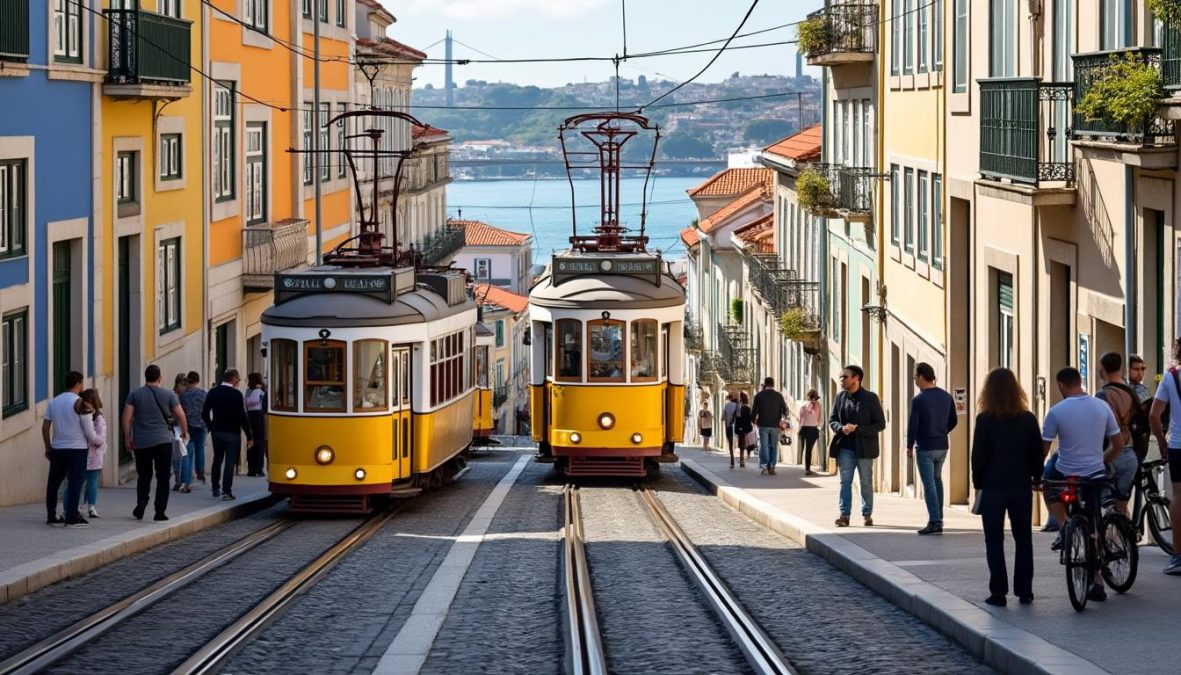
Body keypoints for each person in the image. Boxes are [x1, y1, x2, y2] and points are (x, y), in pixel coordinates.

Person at [1042, 366, 1123, 602]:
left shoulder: (1056, 411)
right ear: (1080, 382)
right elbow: (1117, 444)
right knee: (1094, 521)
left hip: (1066, 473)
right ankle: (1098, 581)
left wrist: (1035, 474)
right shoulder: (1101, 406)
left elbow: (1044, 449)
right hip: (1094, 473)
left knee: (1049, 486)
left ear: (1061, 385)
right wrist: (1103, 460)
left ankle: (1064, 526)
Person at [971, 368, 1043, 607]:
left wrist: (978, 484)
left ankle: (998, 592)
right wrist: (1037, 477)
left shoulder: (984, 420)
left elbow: (978, 456)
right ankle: (1025, 590)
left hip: (993, 486)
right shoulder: (1028, 419)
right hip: (1020, 485)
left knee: (993, 540)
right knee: (1023, 539)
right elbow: (1036, 453)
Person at [123, 365, 189, 521]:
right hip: (163, 441)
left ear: (146, 377)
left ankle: (142, 502)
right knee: (163, 477)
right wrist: (184, 432)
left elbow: (126, 418)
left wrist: (127, 437)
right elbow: (181, 415)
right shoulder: (169, 395)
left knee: (144, 475)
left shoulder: (134, 395)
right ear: (160, 377)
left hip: (142, 441)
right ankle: (160, 511)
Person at [829, 365, 886, 527]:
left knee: (866, 482)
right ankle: (844, 515)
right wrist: (841, 428)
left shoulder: (870, 398)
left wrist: (859, 429)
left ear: (856, 378)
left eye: (845, 377)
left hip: (865, 448)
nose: (842, 380)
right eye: (841, 377)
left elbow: (880, 424)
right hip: (845, 447)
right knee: (845, 482)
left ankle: (867, 514)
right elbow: (832, 420)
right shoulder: (840, 397)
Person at [907, 362, 958, 535]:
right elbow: (953, 421)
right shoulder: (946, 396)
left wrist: (909, 446)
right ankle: (939, 517)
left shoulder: (918, 400)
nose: (915, 380)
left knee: (929, 484)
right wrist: (942, 431)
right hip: (942, 446)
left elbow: (913, 425)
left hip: (925, 447)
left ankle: (935, 522)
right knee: (937, 481)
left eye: (915, 377)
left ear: (922, 377)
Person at [1148, 339, 1181, 575]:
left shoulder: (1171, 376)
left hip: (1178, 445)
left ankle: (1178, 556)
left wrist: (1161, 440)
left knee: (1178, 497)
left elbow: (1154, 415)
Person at [1094, 352, 1139, 517]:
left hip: (1110, 452)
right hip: (1131, 452)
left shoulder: (1102, 395)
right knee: (1121, 505)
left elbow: (1098, 426)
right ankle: (1127, 531)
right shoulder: (1132, 392)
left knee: (1103, 503)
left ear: (1102, 369)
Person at [43, 371, 89, 528]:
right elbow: (86, 426)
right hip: (77, 448)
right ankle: (71, 518)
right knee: (75, 482)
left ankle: (51, 516)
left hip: (57, 448)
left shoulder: (54, 402)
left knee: (53, 483)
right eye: (81, 383)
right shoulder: (80, 402)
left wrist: (48, 447)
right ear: (78, 384)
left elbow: (45, 427)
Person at [202, 368, 254, 500]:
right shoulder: (237, 394)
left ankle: (215, 487)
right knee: (230, 462)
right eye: (239, 379)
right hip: (232, 433)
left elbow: (204, 412)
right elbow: (242, 416)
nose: (239, 382)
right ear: (234, 379)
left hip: (217, 431)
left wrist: (211, 426)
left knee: (217, 459)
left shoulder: (213, 392)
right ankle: (226, 491)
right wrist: (249, 436)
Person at [78, 389, 107, 520]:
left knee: (92, 482)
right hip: (84, 454)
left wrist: (92, 439)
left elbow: (100, 438)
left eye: (85, 401)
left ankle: (91, 506)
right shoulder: (81, 415)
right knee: (82, 482)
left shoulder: (98, 418)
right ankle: (80, 506)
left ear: (91, 401)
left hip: (94, 455)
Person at [751, 377, 788, 475]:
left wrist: (753, 421)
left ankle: (764, 466)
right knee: (773, 446)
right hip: (775, 425)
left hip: (763, 425)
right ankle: (771, 466)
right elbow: (785, 410)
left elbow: (754, 411)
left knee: (764, 446)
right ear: (773, 384)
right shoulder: (778, 396)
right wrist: (784, 420)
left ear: (765, 384)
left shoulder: (758, 396)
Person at [179, 371, 208, 488]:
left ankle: (185, 480)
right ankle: (200, 472)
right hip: (201, 425)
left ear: (188, 380)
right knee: (200, 449)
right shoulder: (203, 393)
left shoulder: (183, 395)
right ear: (198, 381)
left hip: (188, 426)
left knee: (186, 453)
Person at [245, 372, 268, 476]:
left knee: (250, 441)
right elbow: (266, 402)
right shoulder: (262, 391)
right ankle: (259, 468)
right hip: (259, 415)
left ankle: (251, 468)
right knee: (260, 442)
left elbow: (246, 403)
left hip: (250, 416)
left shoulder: (248, 391)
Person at [797, 390, 822, 476]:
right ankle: (807, 469)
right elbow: (819, 418)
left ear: (808, 396)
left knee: (804, 448)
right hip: (813, 429)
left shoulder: (803, 405)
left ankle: (805, 467)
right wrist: (816, 424)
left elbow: (800, 418)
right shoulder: (818, 405)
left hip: (804, 428)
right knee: (809, 449)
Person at [733, 392, 753, 469]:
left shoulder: (739, 409)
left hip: (740, 429)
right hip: (747, 429)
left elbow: (737, 420)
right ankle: (745, 457)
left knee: (741, 445)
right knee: (747, 444)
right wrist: (749, 428)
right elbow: (750, 419)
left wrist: (736, 430)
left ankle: (742, 460)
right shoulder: (748, 409)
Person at [722, 393, 738, 464]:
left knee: (730, 444)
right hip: (737, 427)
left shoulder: (726, 406)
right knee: (738, 443)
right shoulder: (738, 406)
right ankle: (741, 460)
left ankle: (732, 459)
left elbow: (723, 418)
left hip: (729, 426)